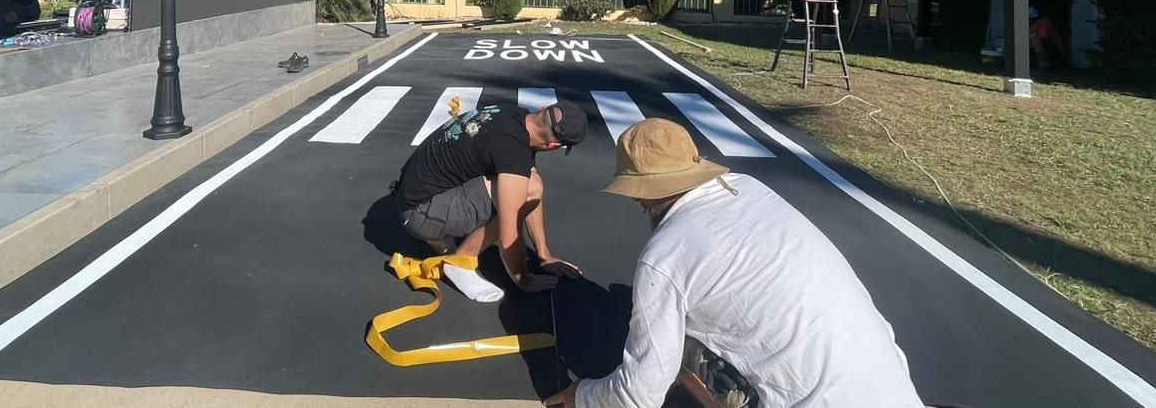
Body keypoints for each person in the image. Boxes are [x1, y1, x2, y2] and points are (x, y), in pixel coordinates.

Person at [547, 119, 922, 408]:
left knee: (669, 337)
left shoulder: (664, 257)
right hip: (895, 386)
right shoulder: (749, 187)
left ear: (640, 194)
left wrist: (583, 394)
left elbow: (637, 396)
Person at [392, 101, 587, 302]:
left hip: (416, 194)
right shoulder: (513, 148)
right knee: (524, 193)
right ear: (553, 146)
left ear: (542, 110)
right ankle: (461, 262)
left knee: (528, 184)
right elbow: (509, 233)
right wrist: (523, 279)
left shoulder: (514, 117)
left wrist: (544, 255)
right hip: (419, 213)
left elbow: (528, 184)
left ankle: (442, 236)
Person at [1028, 6, 1066, 70]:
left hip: (1054, 50)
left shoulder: (1044, 22)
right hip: (1043, 48)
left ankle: (1044, 64)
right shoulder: (1030, 24)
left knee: (1035, 42)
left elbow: (1043, 40)